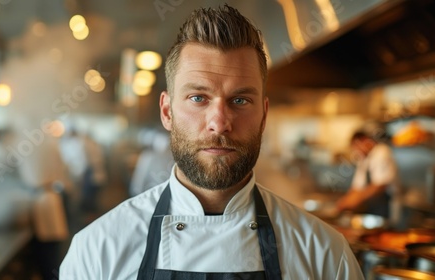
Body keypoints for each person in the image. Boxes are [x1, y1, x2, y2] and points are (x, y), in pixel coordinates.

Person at [60, 4, 363, 279]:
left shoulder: (325, 255)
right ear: (167, 111)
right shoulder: (98, 250)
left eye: (240, 100)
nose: (219, 122)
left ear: (264, 114)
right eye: (198, 98)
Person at [336, 130, 401, 224]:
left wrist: (354, 201)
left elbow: (379, 186)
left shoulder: (381, 152)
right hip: (372, 208)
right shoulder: (364, 158)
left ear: (365, 141)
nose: (356, 151)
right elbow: (357, 187)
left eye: (356, 147)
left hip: (387, 207)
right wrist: (344, 202)